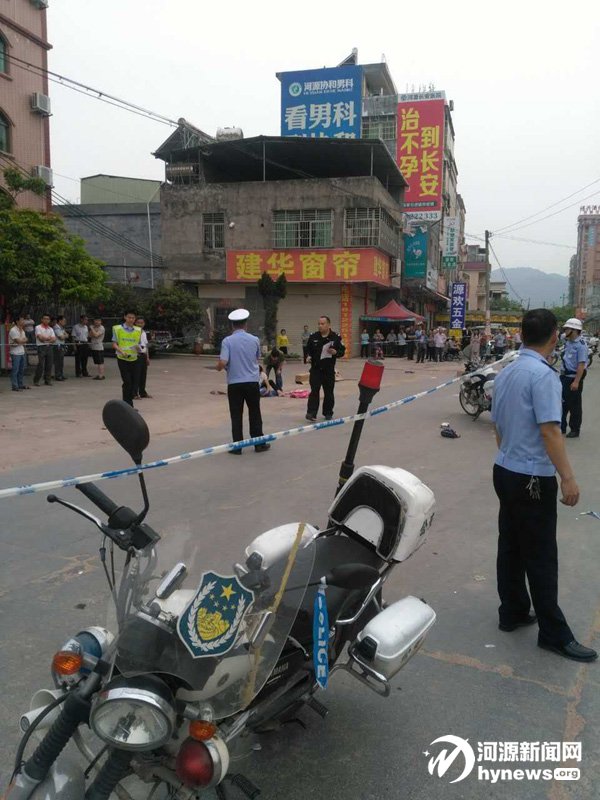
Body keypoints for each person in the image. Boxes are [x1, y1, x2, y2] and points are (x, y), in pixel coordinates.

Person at [491, 309, 596, 663]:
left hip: (505, 469)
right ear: (554, 336)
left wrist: (510, 453)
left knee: (511, 543)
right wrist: (567, 477)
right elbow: (550, 430)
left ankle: (513, 610)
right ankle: (553, 633)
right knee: (540, 554)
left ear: (522, 335)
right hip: (532, 478)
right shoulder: (543, 375)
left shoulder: (506, 372)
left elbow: (498, 426)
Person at [217, 308, 270, 455]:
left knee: (236, 415)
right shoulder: (255, 340)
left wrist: (219, 367)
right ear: (246, 324)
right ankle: (258, 444)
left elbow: (223, 362)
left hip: (234, 384)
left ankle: (237, 446)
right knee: (255, 412)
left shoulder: (227, 341)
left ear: (232, 325)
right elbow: (256, 358)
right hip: (252, 382)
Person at [305, 315, 345, 422]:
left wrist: (336, 352)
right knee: (314, 391)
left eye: (322, 324)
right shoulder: (313, 336)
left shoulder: (335, 337)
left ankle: (328, 412)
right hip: (316, 369)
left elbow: (342, 351)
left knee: (328, 392)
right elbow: (308, 350)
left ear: (328, 325)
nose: (320, 326)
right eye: (319, 324)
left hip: (328, 369)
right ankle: (311, 413)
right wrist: (308, 356)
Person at [559, 318, 588, 439]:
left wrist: (576, 381)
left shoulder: (581, 345)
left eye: (567, 329)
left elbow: (581, 365)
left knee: (574, 405)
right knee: (562, 403)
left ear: (574, 330)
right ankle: (562, 426)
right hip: (564, 377)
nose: (565, 331)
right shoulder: (568, 341)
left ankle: (575, 429)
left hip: (573, 377)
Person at [112, 311, 141, 407]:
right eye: (129, 317)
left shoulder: (138, 330)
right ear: (125, 317)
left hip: (134, 359)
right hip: (122, 358)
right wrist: (121, 351)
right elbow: (114, 344)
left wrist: (139, 349)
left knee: (134, 383)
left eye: (133, 318)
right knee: (127, 382)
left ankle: (128, 403)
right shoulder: (117, 329)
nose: (131, 319)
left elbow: (138, 344)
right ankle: (128, 405)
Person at [33, 313, 56, 386]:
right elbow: (40, 338)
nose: (46, 320)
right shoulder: (38, 327)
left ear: (49, 320)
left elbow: (54, 339)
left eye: (48, 319)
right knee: (41, 364)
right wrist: (49, 338)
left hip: (49, 347)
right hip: (41, 347)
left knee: (49, 364)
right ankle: (36, 380)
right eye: (45, 319)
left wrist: (46, 339)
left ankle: (47, 380)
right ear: (42, 319)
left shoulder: (51, 329)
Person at [133, 316, 152, 397]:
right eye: (138, 323)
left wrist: (147, 357)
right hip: (136, 355)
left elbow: (146, 345)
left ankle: (142, 392)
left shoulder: (144, 332)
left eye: (142, 323)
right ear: (135, 323)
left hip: (143, 355)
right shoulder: (133, 331)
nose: (140, 324)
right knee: (136, 375)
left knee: (143, 374)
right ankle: (134, 393)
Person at [9, 315, 29, 392]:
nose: (23, 322)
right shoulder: (13, 330)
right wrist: (23, 340)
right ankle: (15, 386)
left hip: (22, 352)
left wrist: (22, 341)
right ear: (17, 321)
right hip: (15, 353)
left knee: (21, 370)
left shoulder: (22, 330)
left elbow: (25, 340)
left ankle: (20, 384)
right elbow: (19, 341)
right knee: (15, 370)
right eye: (22, 320)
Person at [89, 317, 106, 381]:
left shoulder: (102, 328)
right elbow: (90, 335)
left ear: (101, 321)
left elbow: (96, 335)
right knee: (97, 362)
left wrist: (92, 328)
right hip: (94, 346)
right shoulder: (94, 328)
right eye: (95, 320)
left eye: (98, 320)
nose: (96, 322)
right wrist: (93, 329)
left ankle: (101, 375)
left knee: (100, 362)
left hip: (99, 347)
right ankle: (100, 374)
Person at [53, 315, 68, 381]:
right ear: (59, 321)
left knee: (61, 361)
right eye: (64, 321)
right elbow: (61, 337)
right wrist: (65, 335)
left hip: (61, 345)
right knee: (58, 361)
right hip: (57, 345)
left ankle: (61, 374)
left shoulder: (61, 328)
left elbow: (67, 335)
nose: (65, 322)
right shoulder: (56, 327)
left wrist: (65, 335)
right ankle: (58, 375)